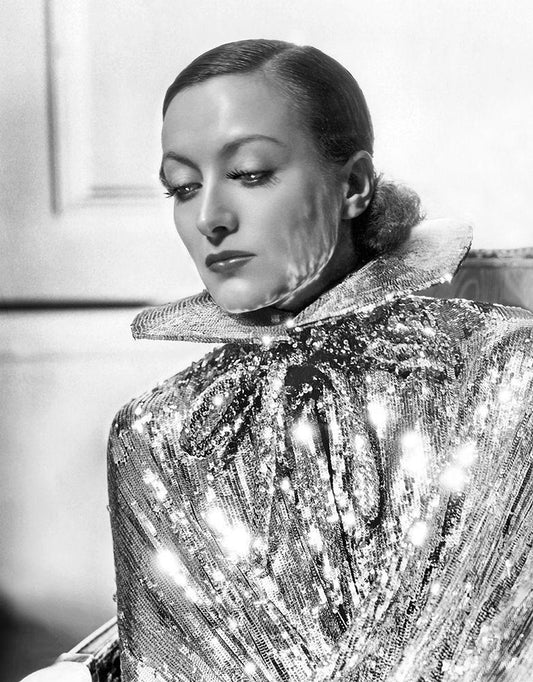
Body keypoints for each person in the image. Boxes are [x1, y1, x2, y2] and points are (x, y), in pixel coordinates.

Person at [24, 39, 533, 682]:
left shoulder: (505, 373)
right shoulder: (158, 434)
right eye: (183, 187)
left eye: (250, 173)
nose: (209, 218)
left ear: (353, 185)